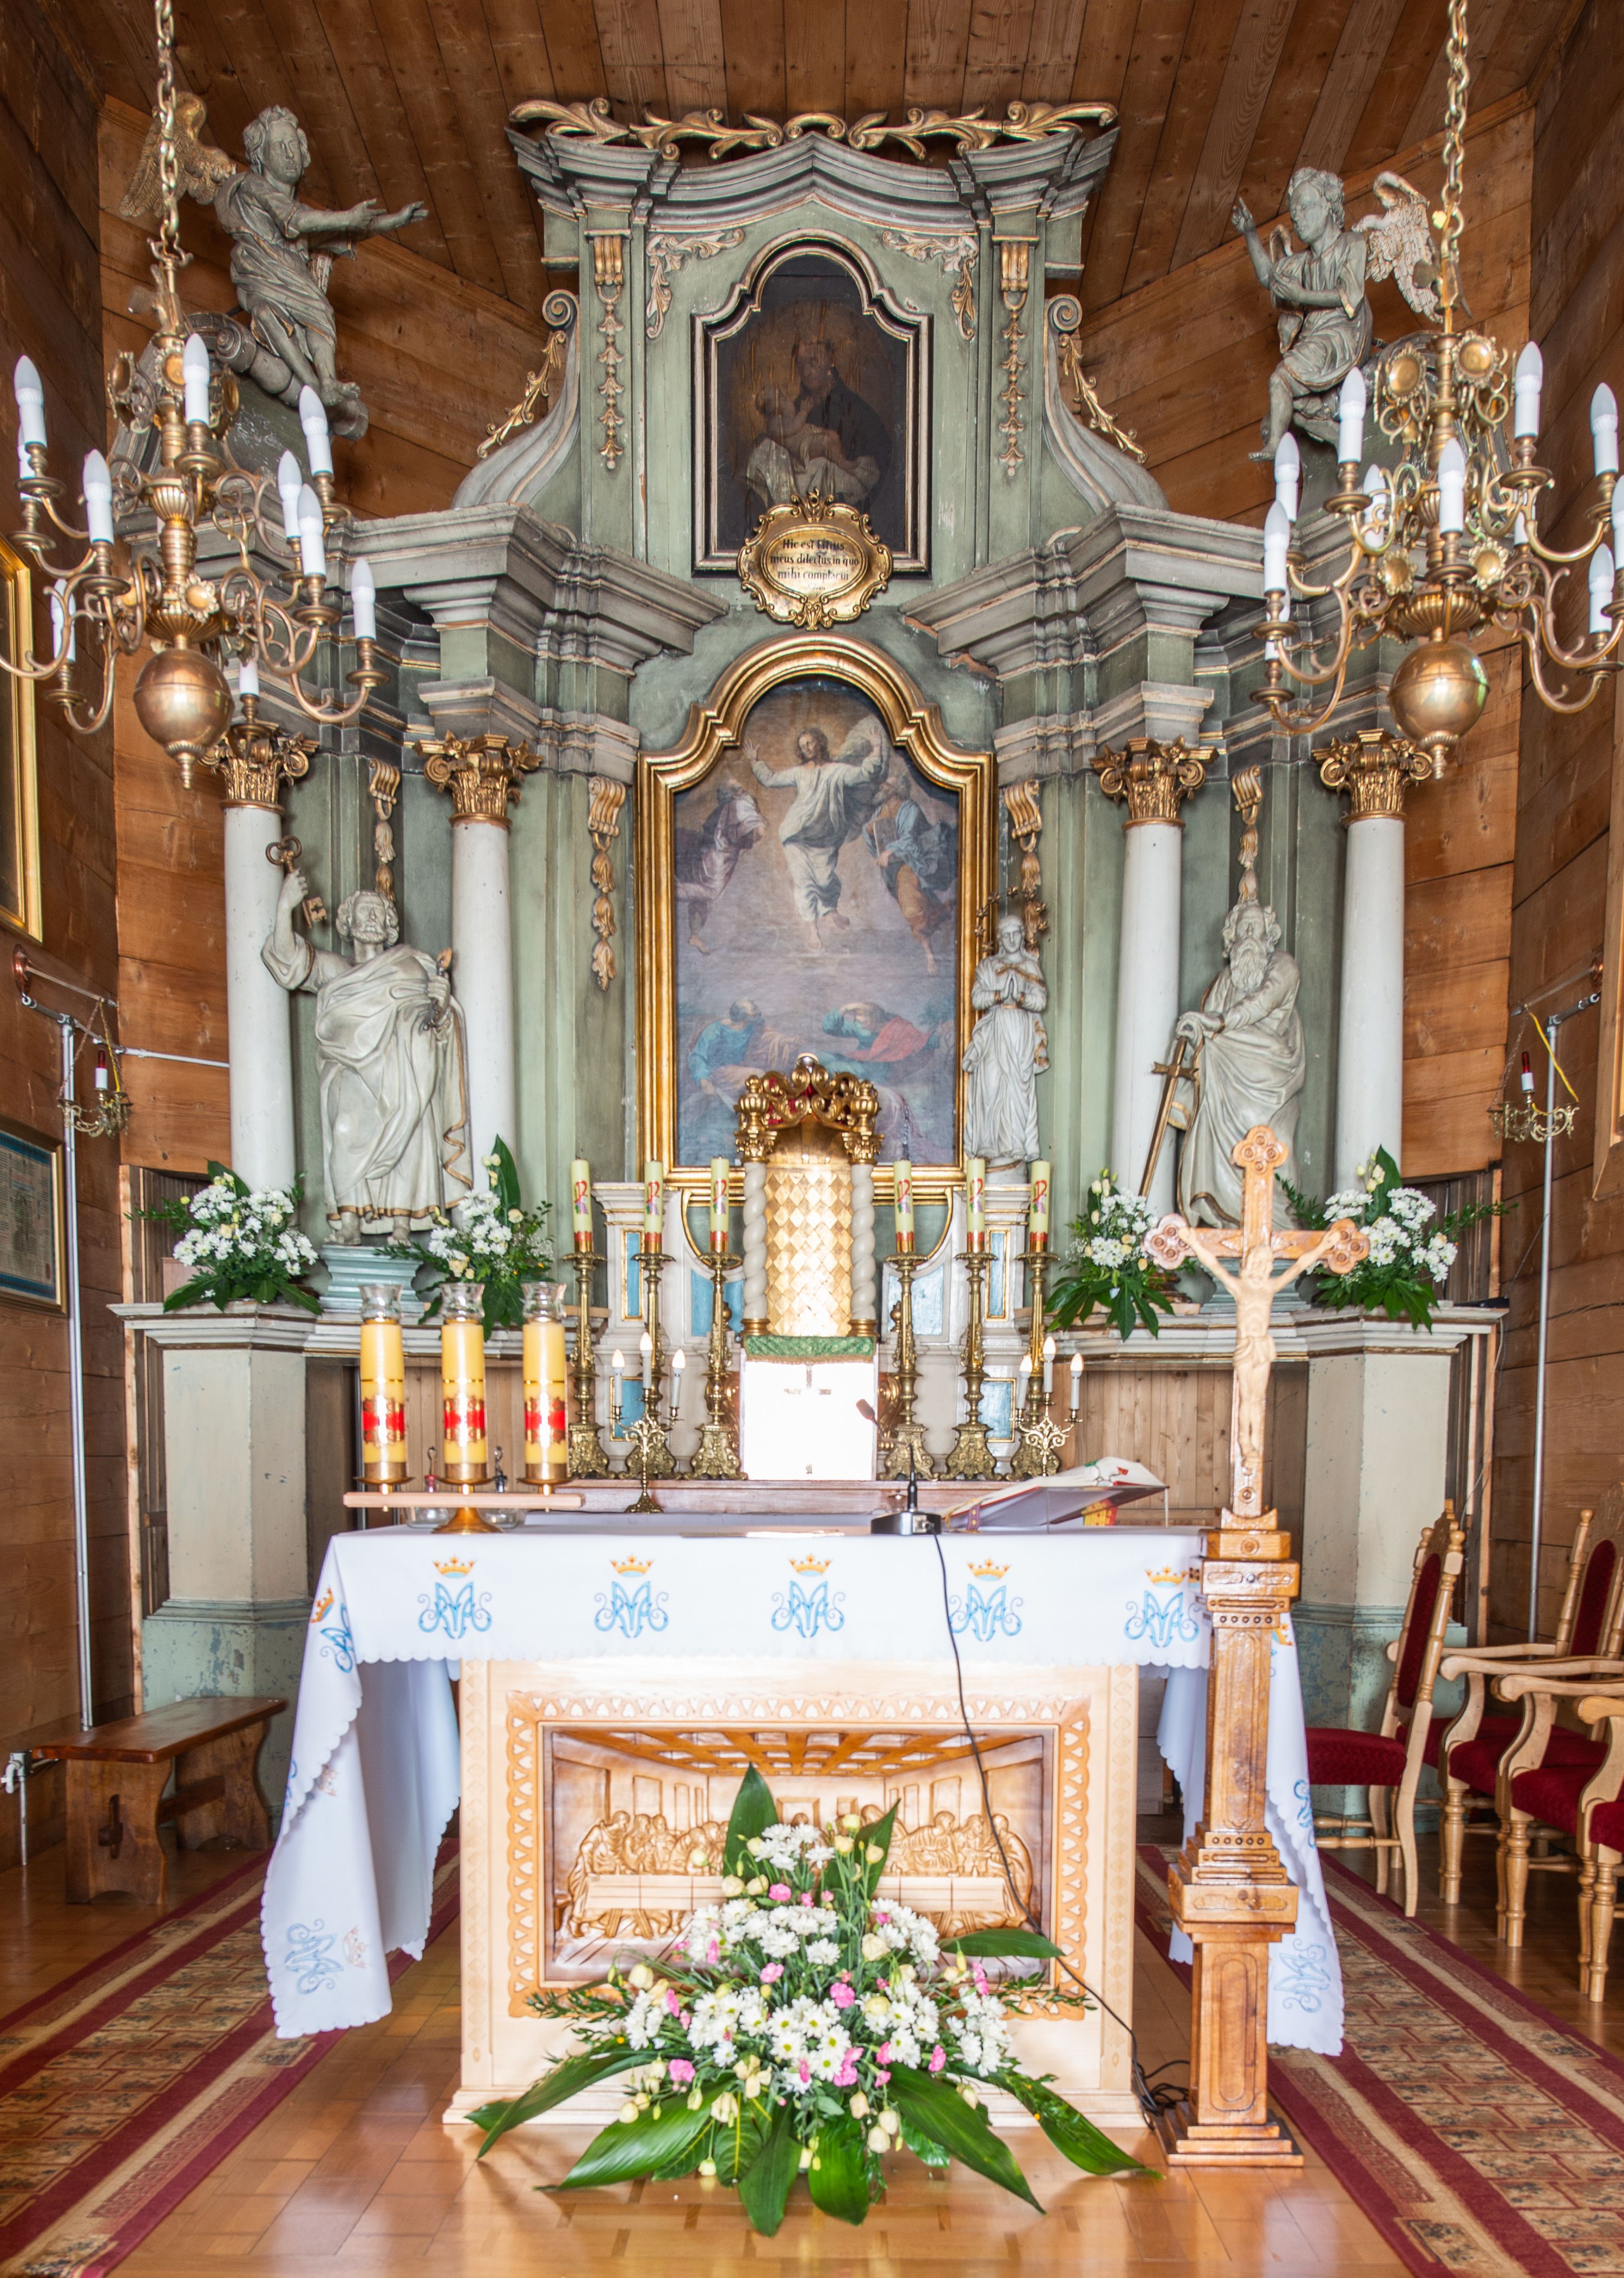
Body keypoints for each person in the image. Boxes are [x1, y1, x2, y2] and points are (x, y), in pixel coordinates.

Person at [261, 870, 470, 1241]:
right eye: (364, 911)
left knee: (413, 1116)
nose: (372, 917)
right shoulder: (335, 969)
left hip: (402, 1069)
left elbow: (436, 1027)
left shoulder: (412, 966)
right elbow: (287, 962)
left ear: (390, 925)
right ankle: (351, 1221)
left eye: (379, 912)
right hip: (349, 1070)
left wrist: (440, 1004)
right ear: (348, 922)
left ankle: (403, 1224)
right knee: (344, 1127)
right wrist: (284, 907)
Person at [214, 107, 425, 421]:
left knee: (320, 312)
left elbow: (346, 232)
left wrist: (395, 220)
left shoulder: (305, 215)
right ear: (261, 156)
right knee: (266, 312)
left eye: (294, 145)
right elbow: (296, 221)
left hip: (293, 277)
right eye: (279, 146)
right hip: (261, 274)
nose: (290, 154)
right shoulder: (254, 187)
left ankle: (326, 381)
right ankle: (312, 384)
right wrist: (346, 217)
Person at [1171, 895, 1306, 1225]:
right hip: (1226, 1076)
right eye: (1243, 928)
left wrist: (1217, 1024)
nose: (1248, 935)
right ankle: (1227, 1214)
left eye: (1255, 928)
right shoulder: (1225, 981)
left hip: (1271, 1072)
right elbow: (1206, 1032)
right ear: (1232, 937)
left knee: (1274, 1147)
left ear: (1268, 936)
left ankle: (1276, 1223)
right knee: (1208, 1054)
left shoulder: (1284, 966)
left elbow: (1262, 1003)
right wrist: (1195, 1037)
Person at [1232, 167, 1371, 460]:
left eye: (1305, 207)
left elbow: (1349, 297)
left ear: (1328, 205)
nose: (1298, 218)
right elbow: (1269, 277)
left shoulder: (1352, 244)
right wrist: (1251, 235)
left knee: (1280, 381)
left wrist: (1301, 296)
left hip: (1343, 332)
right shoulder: (1301, 263)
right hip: (1315, 335)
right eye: (1294, 214)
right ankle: (1336, 435)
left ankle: (1275, 447)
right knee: (1291, 407)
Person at [748, 718, 889, 952]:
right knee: (804, 882)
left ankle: (830, 910)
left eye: (810, 743)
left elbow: (866, 774)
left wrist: (877, 748)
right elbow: (771, 779)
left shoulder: (836, 771)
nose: (806, 748)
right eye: (802, 746)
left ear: (820, 743)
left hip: (825, 836)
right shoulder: (799, 773)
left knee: (824, 879)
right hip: (796, 836)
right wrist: (755, 761)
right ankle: (813, 930)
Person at [742, 339, 888, 520]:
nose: (805, 371)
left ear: (830, 360)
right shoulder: (794, 409)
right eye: (800, 364)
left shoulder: (855, 411)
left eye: (813, 362)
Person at [961, 913, 1049, 1167]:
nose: (1012, 939)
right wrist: (1000, 995)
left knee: (1017, 1089)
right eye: (1007, 935)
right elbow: (977, 999)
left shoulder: (1030, 966)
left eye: (1016, 934)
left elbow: (1040, 1000)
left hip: (1020, 1031)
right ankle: (988, 1143)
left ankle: (1015, 1147)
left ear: (1022, 936)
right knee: (990, 1084)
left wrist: (1020, 998)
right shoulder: (988, 967)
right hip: (995, 1029)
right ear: (1000, 939)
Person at [864, 772, 957, 973]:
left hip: (910, 864)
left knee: (912, 910)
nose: (883, 787)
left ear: (898, 789)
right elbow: (871, 835)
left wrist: (890, 851)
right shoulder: (881, 810)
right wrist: (870, 831)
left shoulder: (910, 809)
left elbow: (909, 840)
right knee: (921, 905)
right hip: (892, 870)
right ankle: (944, 914)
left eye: (888, 785)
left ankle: (929, 955)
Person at [675, 774, 767, 951]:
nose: (744, 791)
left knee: (703, 899)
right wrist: (758, 820)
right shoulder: (739, 805)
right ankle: (666, 892)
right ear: (734, 794)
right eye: (739, 789)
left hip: (715, 857)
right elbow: (759, 831)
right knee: (709, 892)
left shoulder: (725, 809)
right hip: (717, 860)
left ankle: (695, 935)